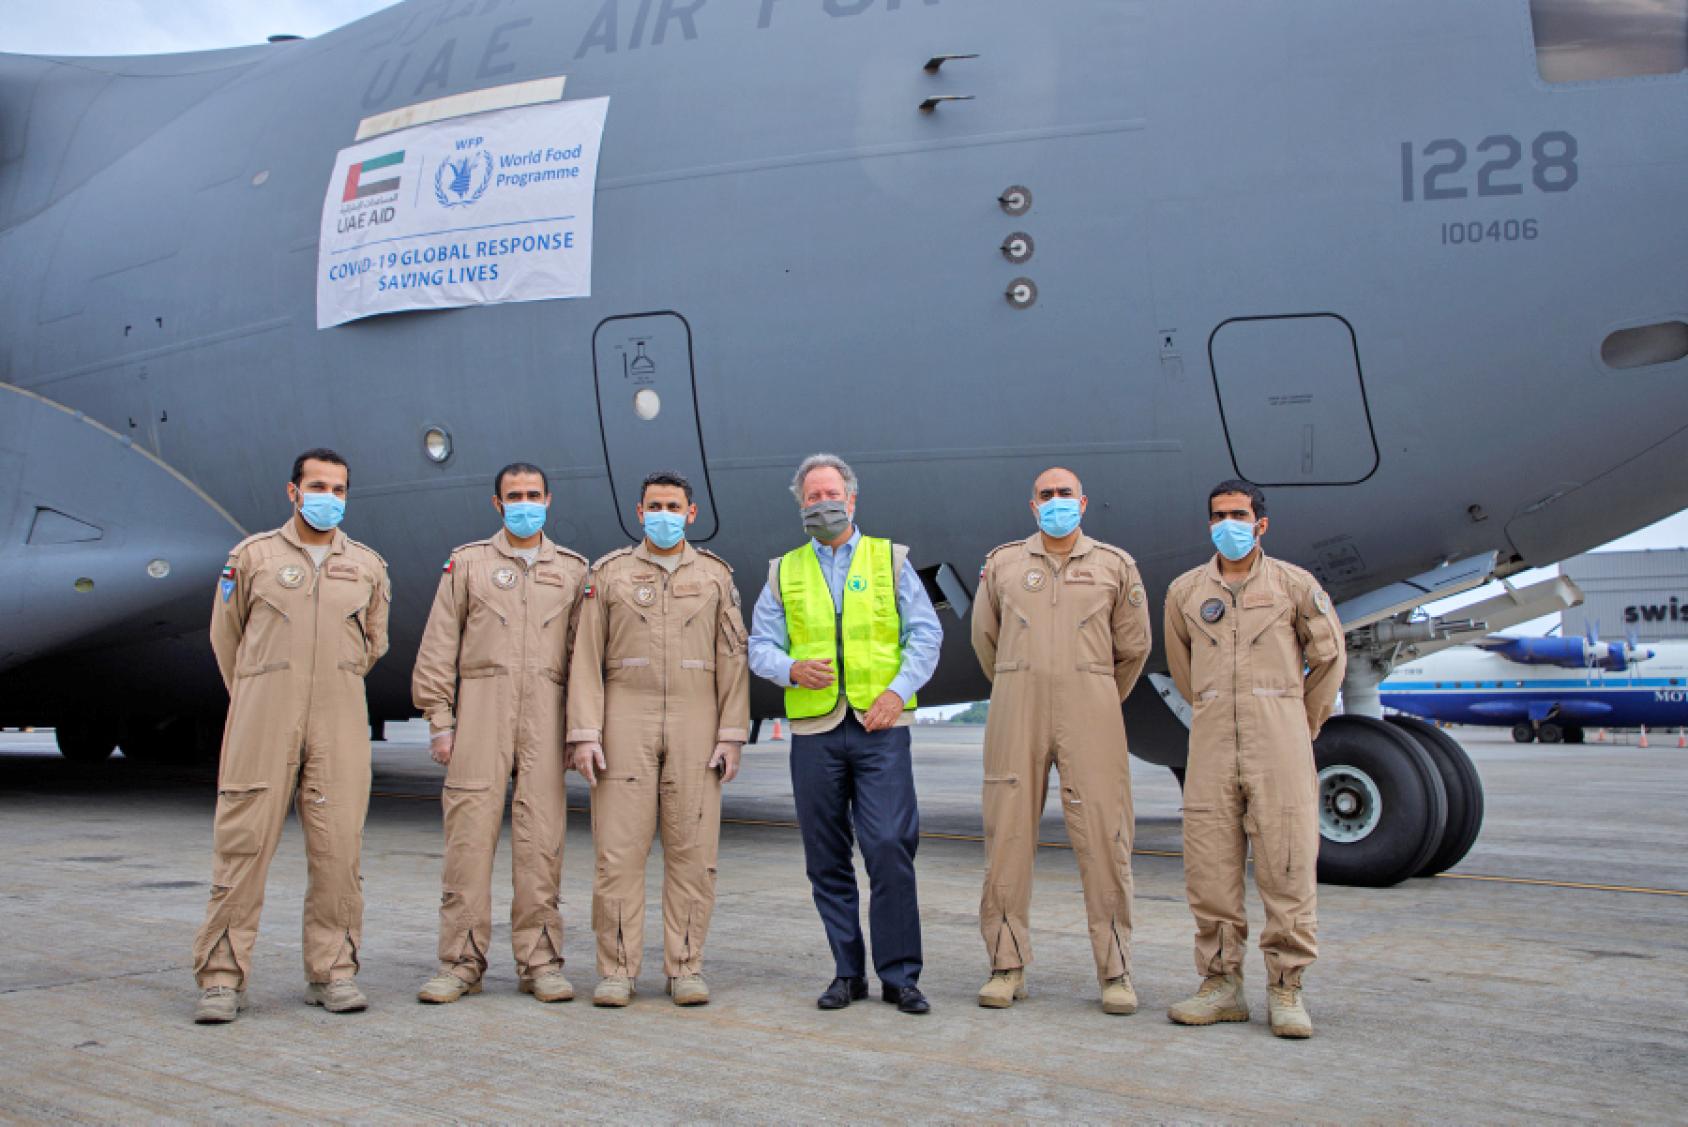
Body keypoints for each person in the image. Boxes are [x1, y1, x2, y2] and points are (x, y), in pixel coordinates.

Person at [191, 448, 390, 1023]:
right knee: (243, 845)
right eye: (319, 485)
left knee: (338, 852)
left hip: (339, 716)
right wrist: (262, 691)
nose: (329, 496)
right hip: (265, 716)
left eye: (340, 488)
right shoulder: (250, 558)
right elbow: (225, 639)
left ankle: (333, 973)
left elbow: (372, 644)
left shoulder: (368, 566)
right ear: (293, 491)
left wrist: (326, 683)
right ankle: (222, 979)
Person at [748, 453, 943, 1015]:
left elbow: (924, 635)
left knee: (887, 846)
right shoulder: (783, 570)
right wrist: (789, 670)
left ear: (852, 500)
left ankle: (900, 975)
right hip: (815, 731)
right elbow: (760, 644)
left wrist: (894, 691)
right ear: (800, 505)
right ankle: (846, 972)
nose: (822, 504)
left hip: (879, 725)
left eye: (831, 494)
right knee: (826, 856)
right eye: (811, 497)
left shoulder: (890, 559)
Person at [1163, 479, 1346, 1039]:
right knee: (1210, 869)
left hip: (1279, 744)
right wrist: (1218, 711)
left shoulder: (1295, 585)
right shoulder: (1186, 592)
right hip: (1214, 744)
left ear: (1260, 523)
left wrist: (1297, 720)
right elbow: (1183, 670)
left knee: (1287, 866)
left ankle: (1287, 988)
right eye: (1218, 515)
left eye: (1239, 514)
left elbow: (1329, 658)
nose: (1228, 525)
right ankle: (1221, 986)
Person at [971, 467, 1151, 1013]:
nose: (1056, 503)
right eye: (1046, 495)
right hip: (1016, 703)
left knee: (1104, 838)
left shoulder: (1115, 566)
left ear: (1084, 502)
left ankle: (1116, 973)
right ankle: (1006, 966)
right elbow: (985, 638)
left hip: (1091, 707)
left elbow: (1134, 647)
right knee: (1007, 838)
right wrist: (1018, 680)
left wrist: (1092, 690)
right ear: (1032, 506)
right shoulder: (1002, 564)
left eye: (1064, 494)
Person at [566, 471, 750, 1007]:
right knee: (618, 854)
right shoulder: (611, 575)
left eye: (673, 505)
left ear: (691, 513)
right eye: (654, 505)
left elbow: (732, 660)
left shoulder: (716, 577)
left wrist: (731, 734)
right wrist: (584, 732)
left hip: (697, 719)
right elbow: (585, 658)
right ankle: (617, 970)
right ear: (639, 511)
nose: (663, 514)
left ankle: (686, 965)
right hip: (626, 716)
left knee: (694, 854)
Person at [411, 463, 590, 1005]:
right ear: (497, 504)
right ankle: (460, 963)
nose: (525, 503)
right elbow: (438, 647)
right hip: (480, 717)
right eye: (515, 496)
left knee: (542, 846)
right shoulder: (467, 565)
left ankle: (540, 963)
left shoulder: (574, 571)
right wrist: (440, 723)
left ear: (549, 500)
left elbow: (583, 659)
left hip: (546, 719)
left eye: (534, 495)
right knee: (467, 846)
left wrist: (579, 731)